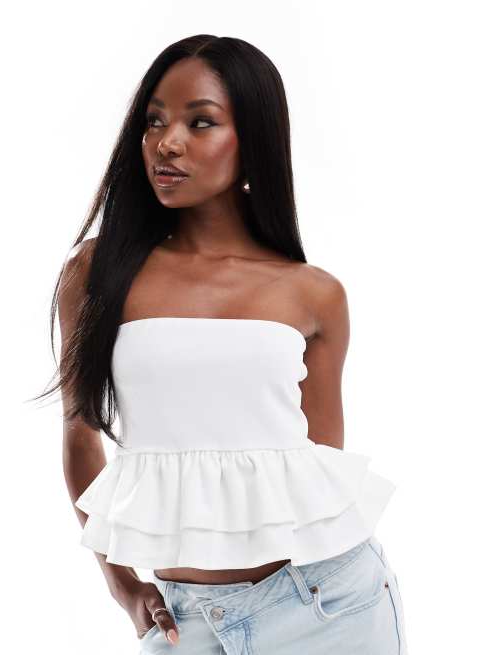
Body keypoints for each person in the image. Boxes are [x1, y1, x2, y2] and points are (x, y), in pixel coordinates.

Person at [37, 35, 408, 653]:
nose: (167, 142)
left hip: (328, 606)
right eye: (154, 120)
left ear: (253, 139)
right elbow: (81, 436)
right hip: (182, 623)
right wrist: (121, 584)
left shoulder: (314, 294)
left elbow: (321, 467)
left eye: (200, 121)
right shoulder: (96, 274)